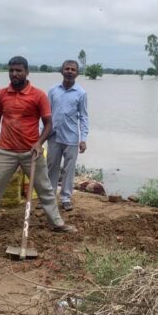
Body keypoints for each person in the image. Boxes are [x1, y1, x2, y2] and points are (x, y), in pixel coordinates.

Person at [0, 56, 76, 246]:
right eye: (11, 70)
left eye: (18, 70)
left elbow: (49, 125)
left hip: (30, 152)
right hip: (5, 152)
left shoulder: (38, 95)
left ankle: (57, 223)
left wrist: (39, 143)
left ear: (27, 72)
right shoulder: (1, 94)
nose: (14, 74)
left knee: (46, 190)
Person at [47, 60, 89, 211]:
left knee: (68, 169)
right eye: (67, 68)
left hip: (71, 137)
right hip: (53, 136)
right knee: (51, 167)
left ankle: (65, 198)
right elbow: (46, 114)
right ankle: (50, 197)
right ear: (62, 71)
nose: (70, 71)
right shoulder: (53, 91)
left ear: (77, 73)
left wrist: (83, 139)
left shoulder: (81, 93)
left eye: (73, 69)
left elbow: (84, 117)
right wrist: (41, 134)